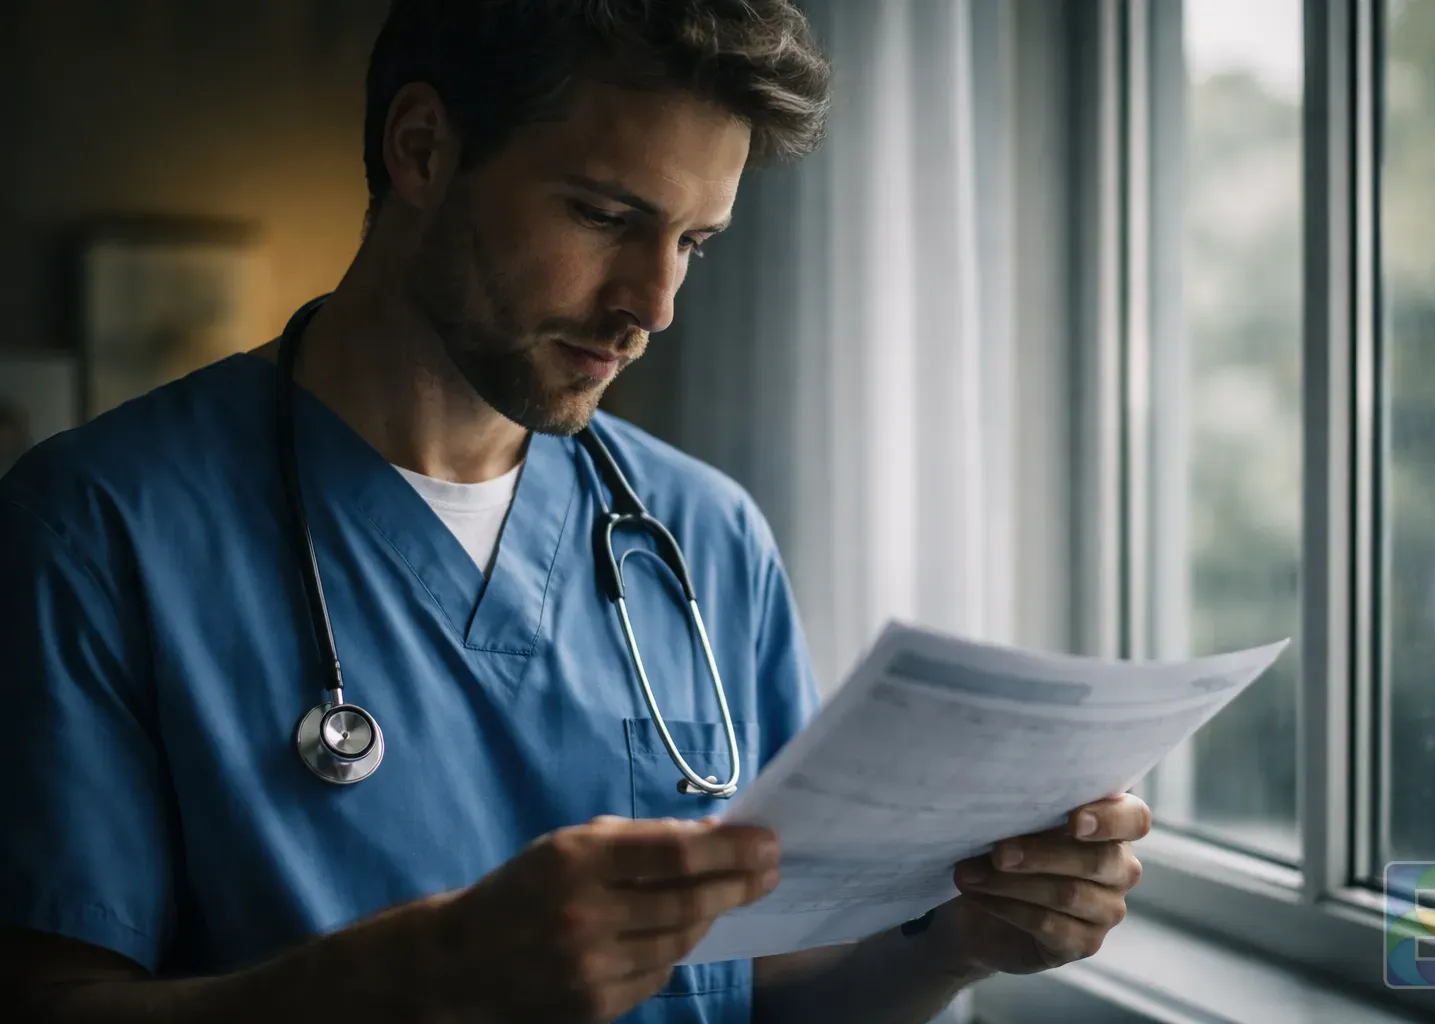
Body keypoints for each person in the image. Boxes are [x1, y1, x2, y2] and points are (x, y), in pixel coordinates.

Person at [0, 2, 1152, 1021]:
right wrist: (418, 981)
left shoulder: (706, 539)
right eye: (606, 215)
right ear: (423, 147)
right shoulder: (95, 531)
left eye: (693, 243)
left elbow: (768, 988)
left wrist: (956, 944)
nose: (653, 302)